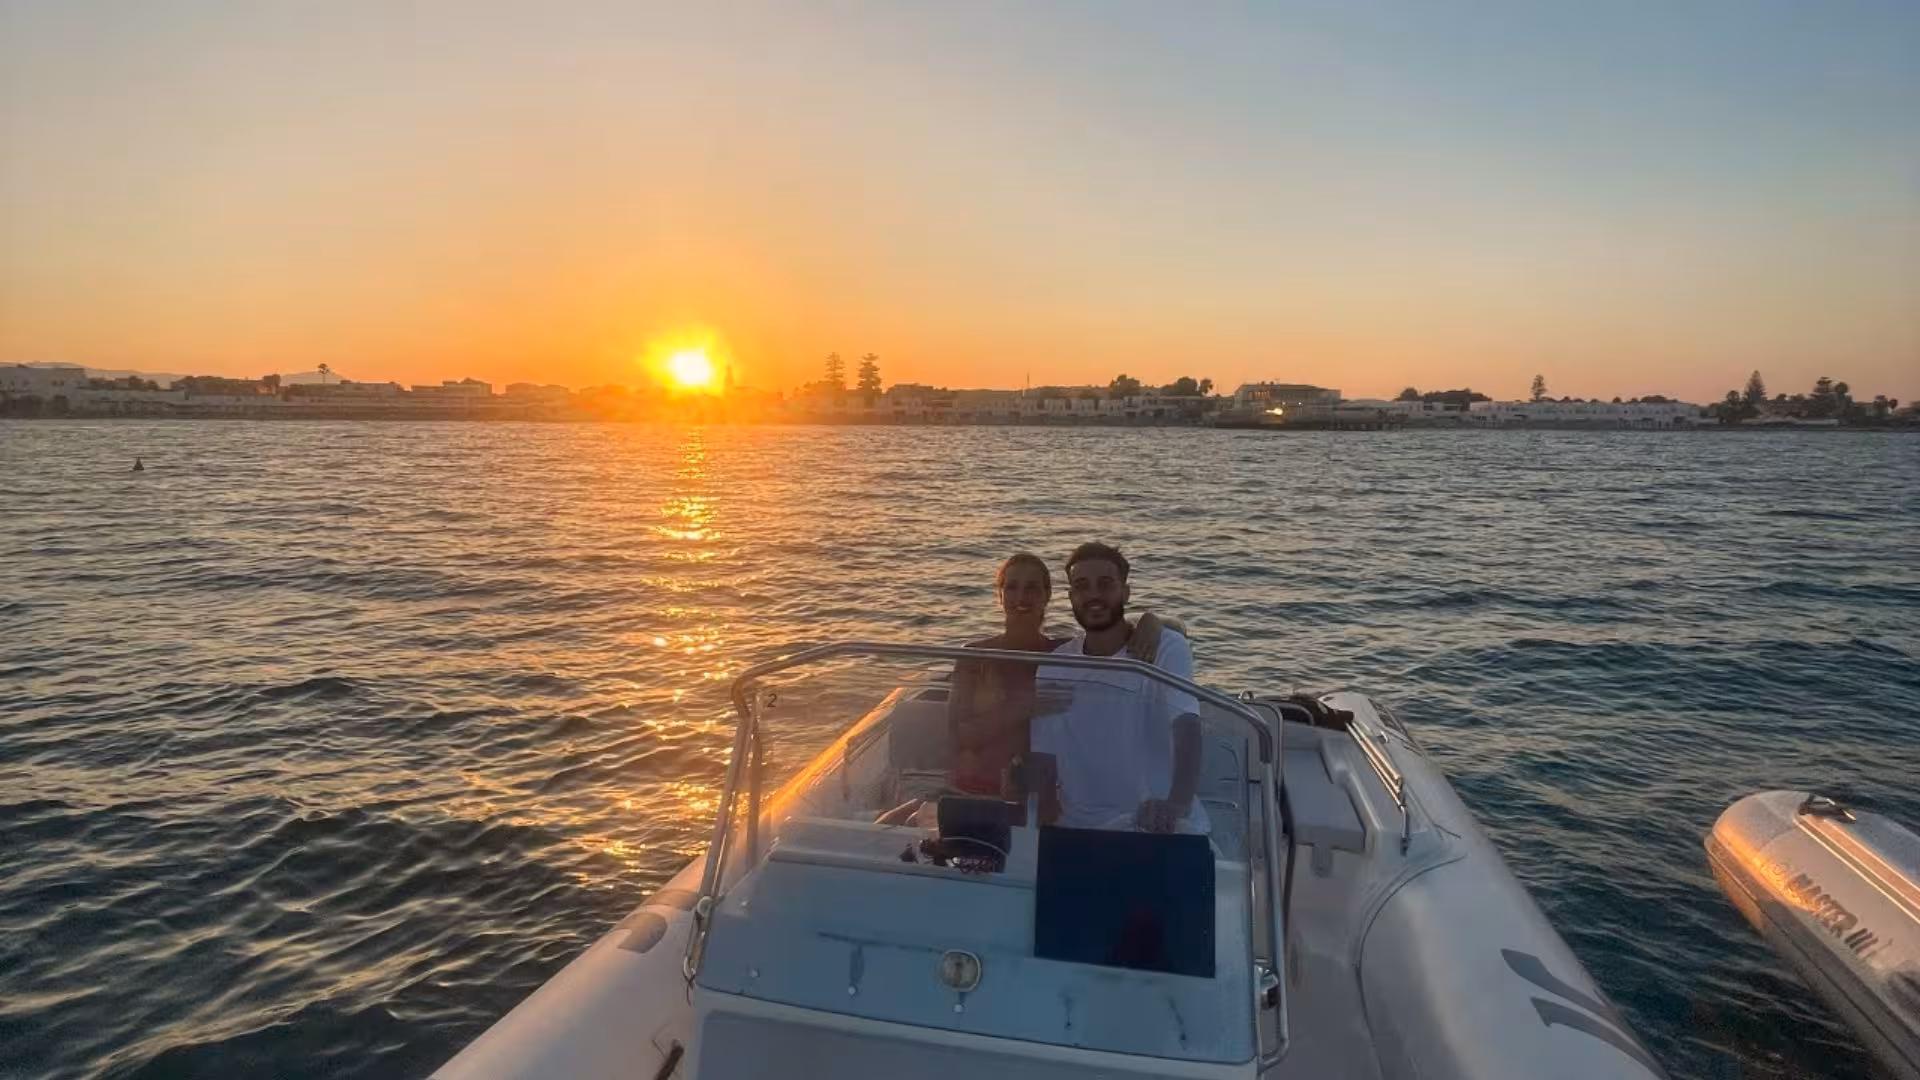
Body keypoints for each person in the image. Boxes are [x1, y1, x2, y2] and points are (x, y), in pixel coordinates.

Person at [1032, 542, 1206, 834]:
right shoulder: (1055, 664)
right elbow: (1045, 750)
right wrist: (1041, 799)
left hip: (1154, 823)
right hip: (1074, 825)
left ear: (1125, 592)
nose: (1094, 595)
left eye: (1105, 584)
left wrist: (1177, 806)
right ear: (1071, 596)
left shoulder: (1165, 648)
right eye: (1082, 586)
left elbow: (1187, 725)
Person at [946, 553, 1068, 796]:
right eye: (1012, 587)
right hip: (982, 788)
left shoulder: (1063, 653)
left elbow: (1118, 636)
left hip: (1051, 792)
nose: (1021, 597)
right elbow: (960, 736)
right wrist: (1022, 708)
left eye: (1032, 588)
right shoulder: (975, 656)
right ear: (1000, 595)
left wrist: (1150, 623)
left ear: (1047, 595)